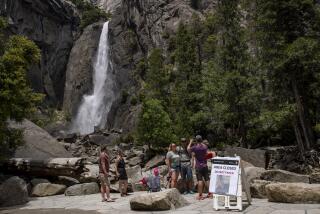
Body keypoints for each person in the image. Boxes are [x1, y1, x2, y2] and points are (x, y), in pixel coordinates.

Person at [187, 135, 211, 200]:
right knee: (207, 179)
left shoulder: (195, 147)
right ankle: (210, 193)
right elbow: (207, 153)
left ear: (196, 140)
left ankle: (200, 195)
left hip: (198, 166)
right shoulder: (205, 147)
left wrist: (190, 142)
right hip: (205, 165)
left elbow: (188, 149)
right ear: (201, 140)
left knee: (200, 180)